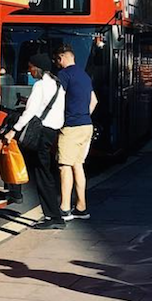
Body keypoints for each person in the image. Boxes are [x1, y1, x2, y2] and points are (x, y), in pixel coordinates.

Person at [4, 53, 65, 226]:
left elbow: (30, 112)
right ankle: (52, 214)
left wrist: (13, 131)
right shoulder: (58, 85)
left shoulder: (40, 86)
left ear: (37, 68)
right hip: (51, 131)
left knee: (39, 171)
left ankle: (53, 216)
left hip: (41, 132)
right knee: (43, 170)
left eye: (30, 67)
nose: (29, 71)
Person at [54, 43, 97, 221]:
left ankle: (64, 208)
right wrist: (83, 114)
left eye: (57, 59)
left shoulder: (64, 75)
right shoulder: (85, 76)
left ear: (62, 57)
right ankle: (81, 207)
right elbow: (94, 100)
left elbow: (56, 99)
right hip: (86, 124)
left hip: (71, 126)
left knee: (64, 166)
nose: (57, 63)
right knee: (77, 165)